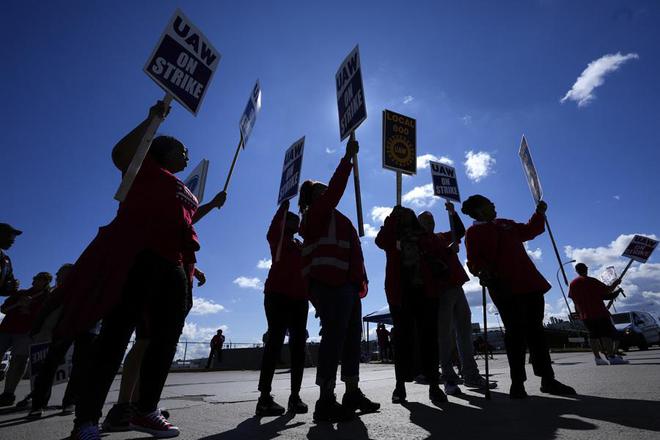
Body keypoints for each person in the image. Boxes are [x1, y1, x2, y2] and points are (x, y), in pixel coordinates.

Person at [57, 100, 227, 440]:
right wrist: (152, 120)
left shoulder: (183, 190)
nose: (187, 152)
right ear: (160, 151)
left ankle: (146, 409)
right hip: (139, 258)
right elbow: (121, 154)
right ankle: (86, 420)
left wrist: (210, 205)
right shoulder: (144, 170)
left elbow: (187, 220)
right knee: (116, 336)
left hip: (174, 265)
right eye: (181, 148)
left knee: (164, 339)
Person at [462, 195, 576, 399]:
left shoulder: (506, 223)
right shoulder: (473, 232)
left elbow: (530, 231)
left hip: (530, 283)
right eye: (489, 203)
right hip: (504, 287)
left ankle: (547, 379)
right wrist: (481, 271)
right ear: (479, 210)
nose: (494, 204)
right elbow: (473, 260)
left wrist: (539, 214)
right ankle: (517, 383)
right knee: (515, 334)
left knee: (537, 332)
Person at [299, 138, 380, 422]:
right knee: (334, 339)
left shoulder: (338, 218)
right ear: (312, 199)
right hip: (330, 285)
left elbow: (354, 253)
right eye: (321, 192)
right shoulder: (316, 214)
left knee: (351, 342)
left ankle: (351, 392)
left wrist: (360, 282)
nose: (327, 194)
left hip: (348, 286)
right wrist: (346, 159)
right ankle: (325, 399)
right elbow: (334, 191)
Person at [101, 267, 206, 432]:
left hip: (180, 279)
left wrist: (195, 271)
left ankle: (136, 405)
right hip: (162, 276)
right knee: (146, 340)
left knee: (152, 343)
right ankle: (122, 408)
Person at [375, 206, 448, 404]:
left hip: (426, 293)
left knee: (429, 340)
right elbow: (379, 241)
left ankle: (434, 385)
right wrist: (391, 217)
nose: (404, 216)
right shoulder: (391, 237)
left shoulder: (424, 237)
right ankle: (400, 385)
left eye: (408, 213)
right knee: (402, 341)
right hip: (401, 295)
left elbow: (441, 250)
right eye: (401, 214)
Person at [421, 203, 495, 396]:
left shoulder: (440, 237)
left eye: (431, 220)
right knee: (445, 336)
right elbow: (427, 261)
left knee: (464, 332)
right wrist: (448, 251)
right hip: (440, 290)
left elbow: (459, 231)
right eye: (425, 221)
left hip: (456, 286)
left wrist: (452, 213)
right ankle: (449, 378)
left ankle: (471, 374)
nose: (429, 223)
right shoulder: (420, 241)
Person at [14, 264, 94, 418]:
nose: (57, 277)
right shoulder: (58, 292)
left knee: (77, 365)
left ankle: (69, 401)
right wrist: (36, 328)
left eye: (60, 274)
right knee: (50, 365)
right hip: (64, 329)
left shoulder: (80, 289)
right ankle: (39, 404)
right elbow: (46, 310)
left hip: (83, 329)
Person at [256, 199, 309, 417]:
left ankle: (294, 396)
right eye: (292, 220)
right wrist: (283, 208)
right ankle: (264, 397)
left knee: (298, 348)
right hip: (277, 295)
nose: (296, 223)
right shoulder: (278, 239)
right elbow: (272, 229)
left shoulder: (300, 246)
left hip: (299, 299)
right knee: (275, 343)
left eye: (298, 221)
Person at [0, 271, 52, 406]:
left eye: (40, 280)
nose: (36, 281)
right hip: (5, 330)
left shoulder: (46, 298)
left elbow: (45, 315)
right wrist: (19, 304)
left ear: (46, 283)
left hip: (25, 333)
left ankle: (8, 393)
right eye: (35, 278)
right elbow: (4, 309)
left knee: (19, 361)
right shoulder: (21, 293)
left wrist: (30, 310)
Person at [569, 263, 627, 366]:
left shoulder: (573, 284)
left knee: (593, 336)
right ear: (586, 269)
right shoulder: (591, 281)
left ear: (576, 271)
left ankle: (597, 358)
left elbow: (574, 301)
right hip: (599, 312)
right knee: (606, 335)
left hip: (585, 314)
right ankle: (611, 357)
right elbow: (608, 291)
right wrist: (616, 282)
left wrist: (579, 313)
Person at [0, 223, 21, 297]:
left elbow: (3, 290)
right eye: (9, 236)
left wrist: (12, 286)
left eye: (13, 237)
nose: (12, 241)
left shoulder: (6, 260)